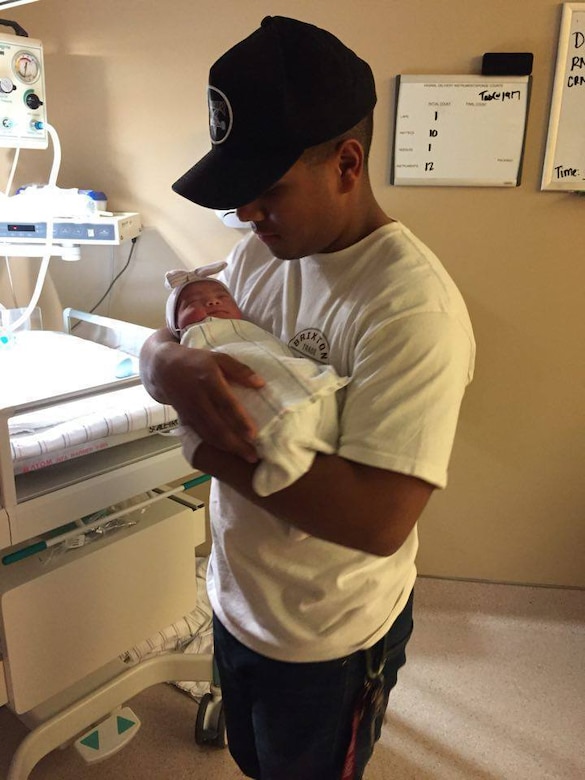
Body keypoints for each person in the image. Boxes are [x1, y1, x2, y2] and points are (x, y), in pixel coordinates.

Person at [140, 15, 475, 780]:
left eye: (268, 193)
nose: (249, 216)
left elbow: (378, 520)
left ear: (347, 164)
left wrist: (200, 447)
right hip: (238, 600)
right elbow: (196, 314)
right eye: (239, 197)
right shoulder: (261, 254)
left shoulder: (409, 311)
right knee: (252, 759)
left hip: (329, 639)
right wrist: (159, 360)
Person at [164, 261, 348, 497]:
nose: (212, 302)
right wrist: (160, 356)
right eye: (191, 303)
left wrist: (198, 449)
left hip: (295, 378)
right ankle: (285, 451)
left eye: (221, 296)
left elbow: (269, 354)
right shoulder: (195, 336)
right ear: (177, 326)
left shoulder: (248, 328)